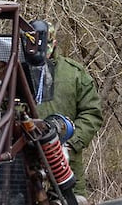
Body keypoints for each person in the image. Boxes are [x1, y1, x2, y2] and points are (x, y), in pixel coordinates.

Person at [35, 25, 104, 195]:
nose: (42, 54)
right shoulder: (15, 72)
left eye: (45, 48)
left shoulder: (73, 73)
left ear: (54, 43)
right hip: (25, 162)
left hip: (66, 161)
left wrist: (72, 144)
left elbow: (91, 113)